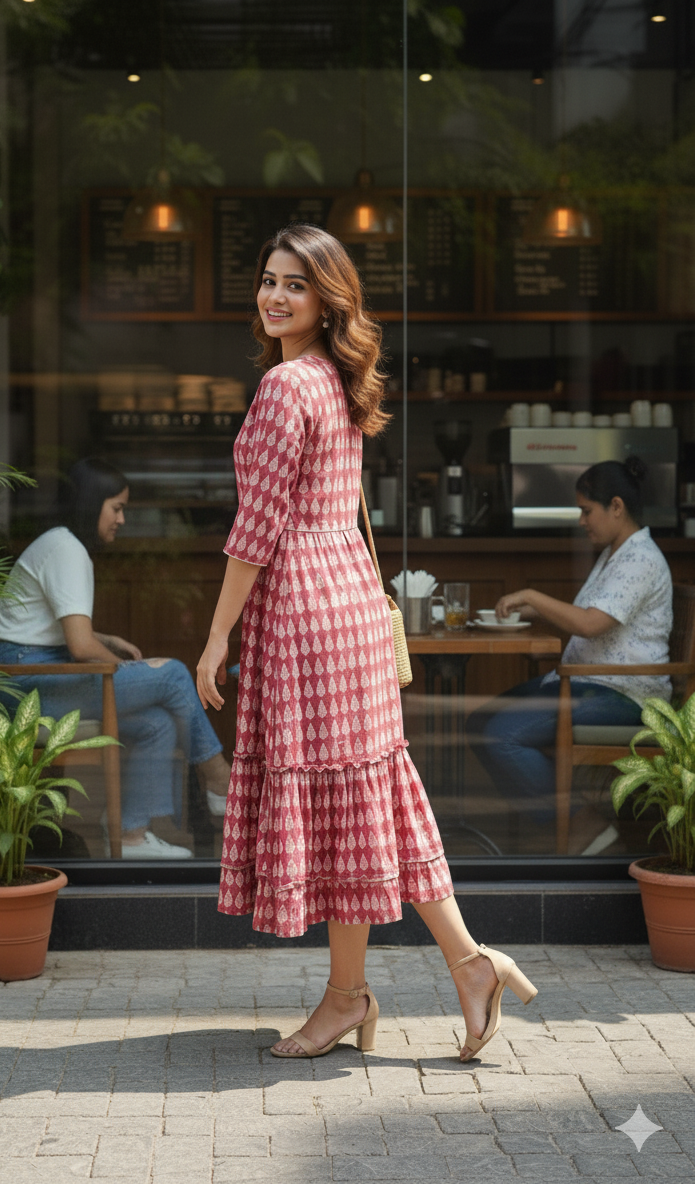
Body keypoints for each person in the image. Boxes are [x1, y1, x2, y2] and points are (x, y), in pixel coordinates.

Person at [196, 223, 537, 1062]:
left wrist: (214, 638)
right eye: (269, 280)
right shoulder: (334, 381)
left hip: (305, 617)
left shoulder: (285, 389)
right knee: (364, 803)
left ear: (327, 299)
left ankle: (368, 991)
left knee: (349, 806)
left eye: (295, 285)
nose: (275, 296)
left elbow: (255, 532)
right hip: (345, 602)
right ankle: (452, 967)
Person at [0, 458, 233, 859]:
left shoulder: (62, 543)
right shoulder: (67, 550)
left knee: (156, 722)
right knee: (171, 675)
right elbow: (80, 648)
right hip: (23, 685)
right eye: (116, 508)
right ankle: (219, 777)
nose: (121, 519)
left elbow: (55, 630)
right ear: (92, 503)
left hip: (30, 672)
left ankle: (131, 835)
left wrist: (107, 638)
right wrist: (129, 667)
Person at [467, 456, 672, 854]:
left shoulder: (641, 559)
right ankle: (570, 822)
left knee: (501, 736)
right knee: (481, 722)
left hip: (622, 695)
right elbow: (586, 616)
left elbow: (591, 624)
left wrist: (531, 596)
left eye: (586, 510)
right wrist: (524, 610)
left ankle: (582, 824)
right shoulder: (616, 554)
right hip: (587, 683)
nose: (582, 521)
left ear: (616, 506)